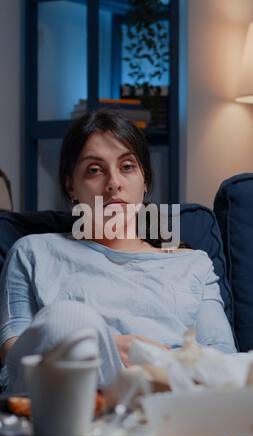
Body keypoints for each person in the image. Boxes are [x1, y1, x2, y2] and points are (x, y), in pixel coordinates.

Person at [0, 109, 237, 393]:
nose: (114, 183)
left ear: (145, 181)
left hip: (174, 398)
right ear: (70, 185)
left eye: (127, 167)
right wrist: (102, 348)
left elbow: (223, 359)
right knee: (68, 319)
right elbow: (14, 360)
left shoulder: (193, 264)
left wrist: (152, 366)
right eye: (94, 170)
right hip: (73, 396)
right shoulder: (32, 252)